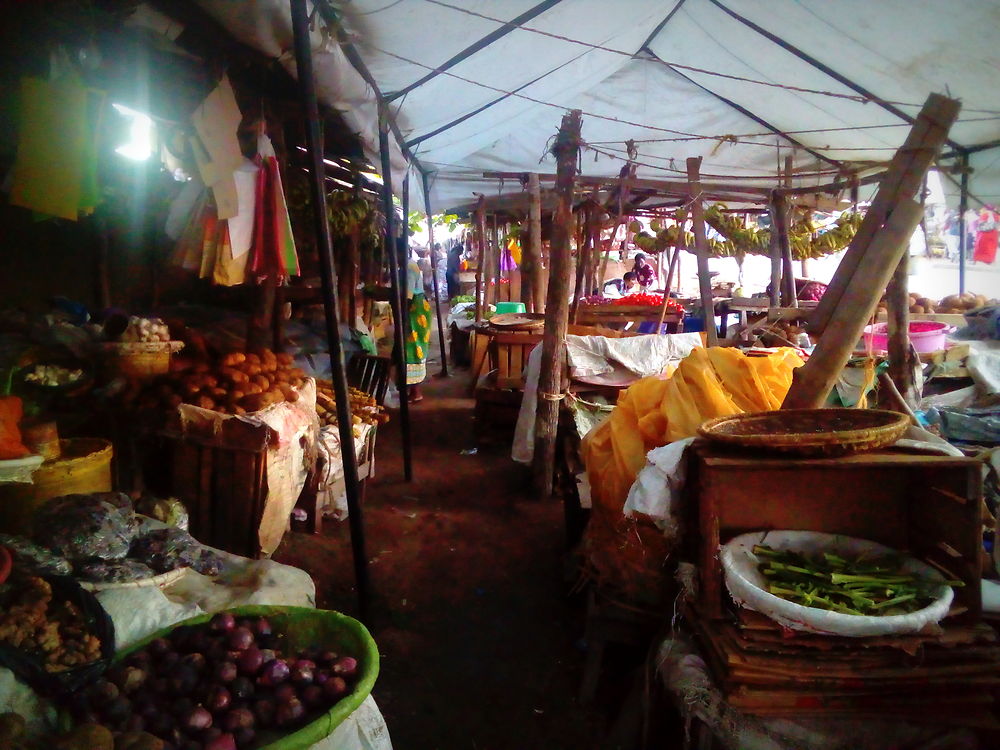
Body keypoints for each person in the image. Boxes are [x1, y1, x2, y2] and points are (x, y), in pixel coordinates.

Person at [405, 249, 432, 403]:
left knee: (413, 349)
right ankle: (413, 390)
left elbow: (408, 296)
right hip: (418, 309)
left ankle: (415, 391)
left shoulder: (408, 267)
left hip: (415, 311)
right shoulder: (411, 264)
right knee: (415, 349)